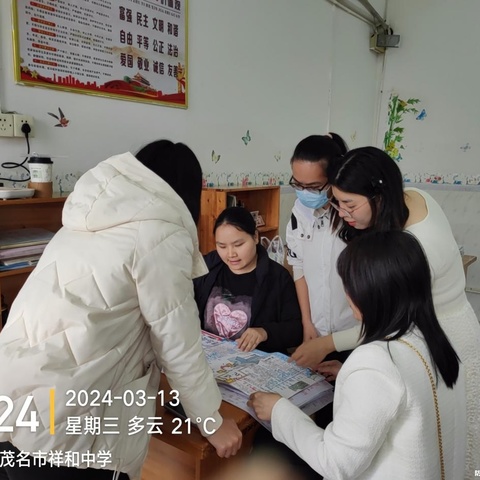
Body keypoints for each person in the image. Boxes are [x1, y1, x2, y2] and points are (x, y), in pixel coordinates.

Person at [0, 140, 242, 480]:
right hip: (71, 433)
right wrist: (213, 423)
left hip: (16, 402)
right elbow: (179, 347)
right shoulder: (160, 234)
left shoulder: (82, 220)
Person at [249, 230, 466, 479]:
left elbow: (336, 463)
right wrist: (347, 376)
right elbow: (406, 393)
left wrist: (278, 409)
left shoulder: (375, 362)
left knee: (267, 449)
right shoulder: (431, 335)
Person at [320, 146, 479, 478]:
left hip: (440, 333)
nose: (342, 212)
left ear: (378, 195)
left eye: (349, 204)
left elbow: (391, 316)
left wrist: (327, 343)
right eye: (336, 201)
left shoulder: (417, 249)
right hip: (433, 327)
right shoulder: (412, 197)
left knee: (437, 435)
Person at [286, 133, 358, 367]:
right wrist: (307, 323)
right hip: (316, 331)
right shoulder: (298, 214)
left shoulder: (353, 217)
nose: (305, 192)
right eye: (298, 184)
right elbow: (299, 269)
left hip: (355, 333)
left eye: (314, 186)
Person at [194, 206, 302, 354]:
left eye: (238, 245)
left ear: (256, 237)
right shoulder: (206, 268)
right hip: (209, 358)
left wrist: (265, 332)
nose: (231, 254)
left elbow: (296, 330)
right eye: (222, 246)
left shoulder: (278, 277)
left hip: (255, 363)